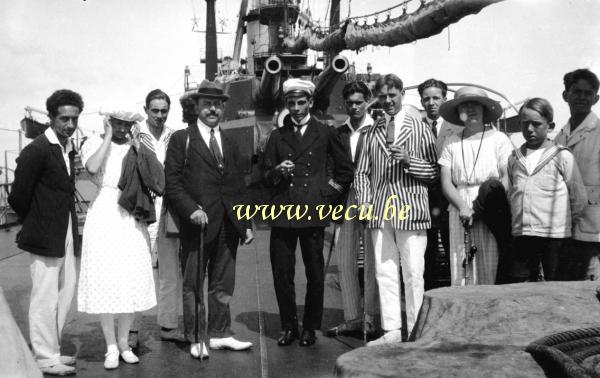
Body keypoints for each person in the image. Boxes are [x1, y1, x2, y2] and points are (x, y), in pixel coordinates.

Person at [165, 80, 254, 359]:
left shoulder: (230, 141)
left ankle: (220, 334)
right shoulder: (183, 139)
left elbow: (239, 186)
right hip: (198, 225)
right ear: (197, 107)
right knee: (193, 284)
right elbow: (173, 183)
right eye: (206, 104)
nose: (212, 109)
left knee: (222, 283)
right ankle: (194, 337)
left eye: (217, 104)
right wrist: (191, 209)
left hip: (229, 223)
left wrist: (246, 223)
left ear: (223, 108)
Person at [263, 78, 354, 347]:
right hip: (283, 212)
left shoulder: (326, 133)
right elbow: (264, 175)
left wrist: (325, 196)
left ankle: (310, 327)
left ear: (311, 103)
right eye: (291, 103)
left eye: (301, 102)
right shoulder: (277, 136)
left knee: (315, 275)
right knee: (282, 274)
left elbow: (345, 172)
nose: (296, 108)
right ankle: (289, 326)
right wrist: (278, 171)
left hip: (313, 212)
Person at [355, 74, 438, 345]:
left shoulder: (421, 128)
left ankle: (415, 330)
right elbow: (361, 173)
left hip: (411, 209)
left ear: (402, 94)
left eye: (393, 95)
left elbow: (434, 172)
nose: (388, 101)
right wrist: (365, 203)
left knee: (413, 272)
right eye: (382, 97)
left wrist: (408, 161)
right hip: (379, 211)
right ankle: (391, 330)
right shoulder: (371, 132)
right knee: (384, 270)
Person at [8, 89, 83, 376]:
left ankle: (53, 351)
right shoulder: (37, 150)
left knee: (65, 293)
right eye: (64, 118)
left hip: (64, 232)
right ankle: (43, 356)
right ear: (51, 118)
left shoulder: (65, 149)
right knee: (44, 295)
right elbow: (18, 196)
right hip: (44, 234)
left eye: (74, 119)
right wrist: (36, 221)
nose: (70, 124)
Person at [77, 111, 159, 370]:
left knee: (130, 278)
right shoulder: (93, 143)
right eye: (117, 124)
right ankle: (111, 346)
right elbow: (91, 168)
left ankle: (124, 343)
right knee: (106, 279)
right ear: (108, 122)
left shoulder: (136, 146)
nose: (123, 129)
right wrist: (108, 136)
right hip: (105, 212)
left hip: (131, 212)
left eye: (127, 124)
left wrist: (137, 146)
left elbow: (154, 176)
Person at [438, 86, 513, 286]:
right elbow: (446, 182)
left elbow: (506, 178)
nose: (471, 110)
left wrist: (480, 206)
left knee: (489, 263)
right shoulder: (451, 142)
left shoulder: (499, 139)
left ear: (484, 110)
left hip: (490, 205)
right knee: (461, 262)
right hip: (459, 205)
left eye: (475, 105)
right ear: (458, 112)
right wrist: (463, 207)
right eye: (465, 106)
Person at [128, 89, 185, 349]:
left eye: (164, 110)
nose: (160, 115)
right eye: (155, 110)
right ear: (146, 109)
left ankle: (169, 325)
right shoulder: (134, 136)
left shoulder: (175, 136)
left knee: (170, 272)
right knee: (137, 271)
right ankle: (131, 330)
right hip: (142, 209)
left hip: (168, 209)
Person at [507, 98, 587, 281]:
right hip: (523, 234)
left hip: (555, 237)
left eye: (536, 124)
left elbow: (579, 198)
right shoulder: (514, 158)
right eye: (524, 124)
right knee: (521, 288)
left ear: (550, 126)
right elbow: (511, 193)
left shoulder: (562, 156)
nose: (529, 129)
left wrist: (563, 223)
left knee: (557, 286)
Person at [326, 81, 379, 338]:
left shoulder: (378, 130)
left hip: (371, 198)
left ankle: (370, 317)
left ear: (367, 101)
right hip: (346, 198)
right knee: (345, 257)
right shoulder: (337, 133)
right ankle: (351, 317)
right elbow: (331, 168)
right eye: (350, 103)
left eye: (359, 102)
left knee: (370, 258)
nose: (355, 107)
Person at [554, 68, 600, 280]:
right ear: (566, 95)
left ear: (596, 98)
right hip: (565, 232)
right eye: (576, 91)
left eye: (587, 93)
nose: (582, 97)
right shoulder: (560, 137)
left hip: (594, 232)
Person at [417, 78, 462, 290]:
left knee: (454, 250)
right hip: (424, 200)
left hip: (449, 198)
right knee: (427, 254)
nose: (431, 103)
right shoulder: (416, 126)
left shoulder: (457, 127)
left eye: (436, 98)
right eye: (426, 99)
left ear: (445, 99)